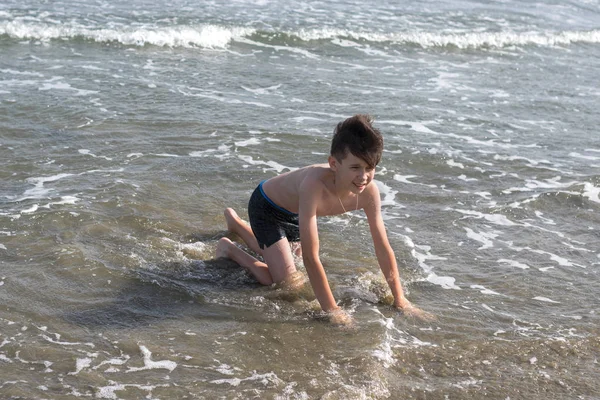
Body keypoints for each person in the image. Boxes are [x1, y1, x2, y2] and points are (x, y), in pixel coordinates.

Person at [216, 114, 431, 324]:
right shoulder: (314, 186)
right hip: (266, 208)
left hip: (295, 213)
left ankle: (238, 226)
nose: (363, 176)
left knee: (288, 258)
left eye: (369, 168)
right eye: (355, 167)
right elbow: (311, 257)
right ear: (334, 164)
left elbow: (383, 248)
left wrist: (400, 299)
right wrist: (333, 310)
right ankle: (229, 249)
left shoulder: (369, 192)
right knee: (288, 282)